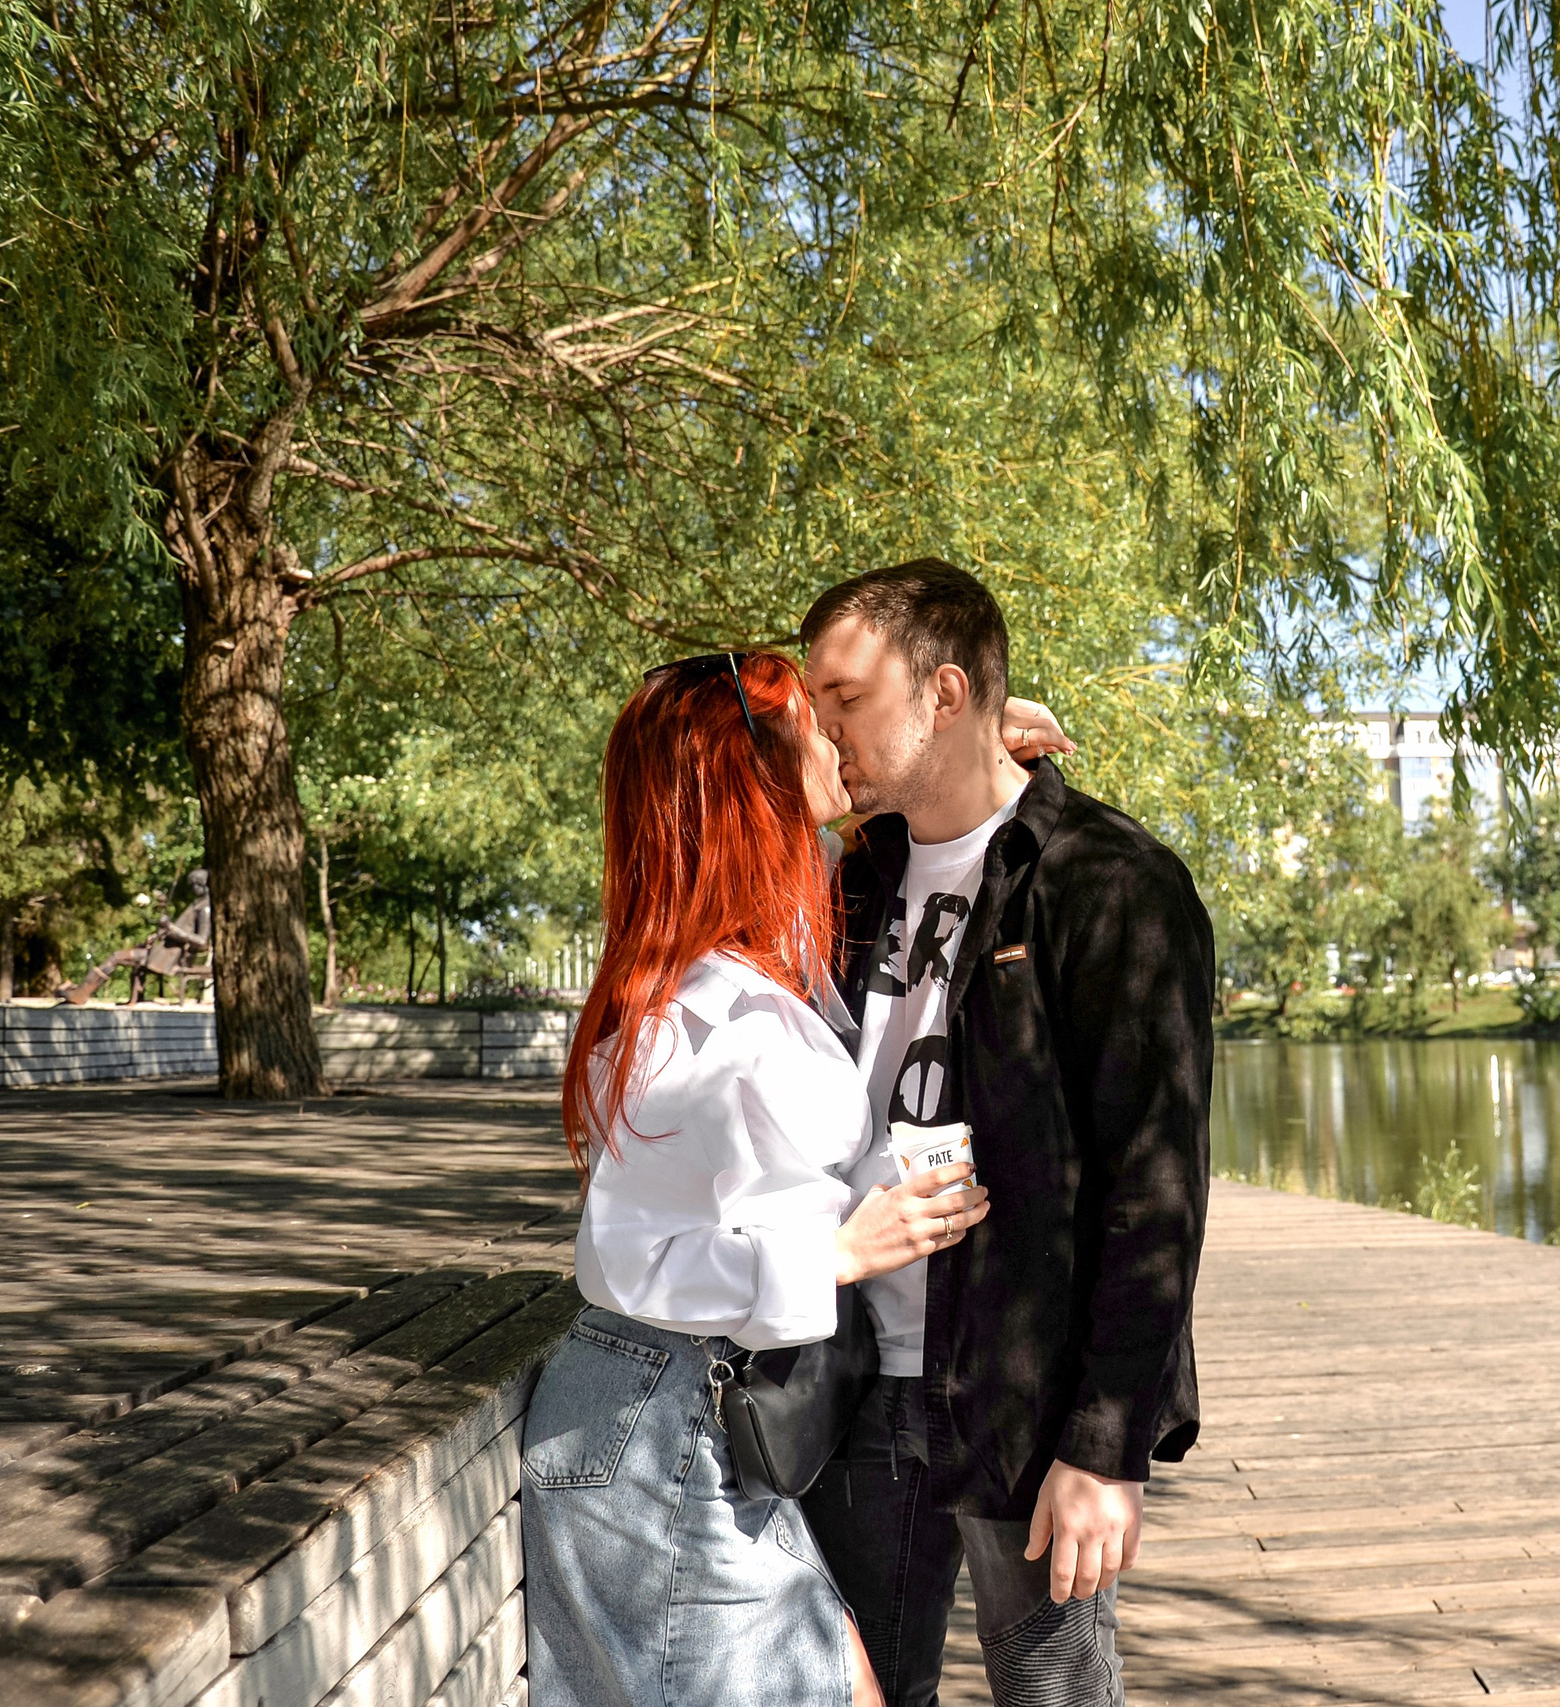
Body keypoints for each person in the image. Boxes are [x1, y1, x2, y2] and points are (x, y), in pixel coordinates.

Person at [521, 651, 992, 1707]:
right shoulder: (691, 1016)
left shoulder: (753, 966)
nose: (836, 735)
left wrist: (972, 749)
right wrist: (836, 1253)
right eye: (811, 722)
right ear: (746, 776)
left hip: (708, 1413)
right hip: (669, 1418)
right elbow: (627, 1257)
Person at [798, 560, 1216, 1707]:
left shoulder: (1108, 881)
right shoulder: (852, 877)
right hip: (850, 1374)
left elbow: (1156, 1188)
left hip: (1021, 1394)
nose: (820, 723)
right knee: (855, 1694)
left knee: (1053, 1695)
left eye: (843, 697)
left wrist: (1105, 1445)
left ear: (941, 692)